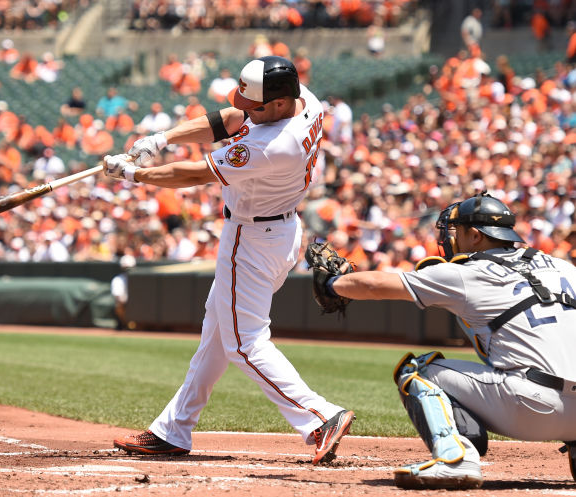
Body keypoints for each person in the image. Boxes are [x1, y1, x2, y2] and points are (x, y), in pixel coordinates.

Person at [104, 55, 355, 463]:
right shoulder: (302, 98)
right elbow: (230, 118)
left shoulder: (274, 145)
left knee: (243, 341)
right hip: (277, 230)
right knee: (218, 333)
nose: (243, 106)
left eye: (253, 104)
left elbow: (193, 175)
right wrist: (161, 139)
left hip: (252, 237)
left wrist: (135, 175)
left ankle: (320, 415)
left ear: (276, 104)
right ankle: (173, 430)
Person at [318, 193, 576, 489]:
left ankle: (455, 458)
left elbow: (375, 285)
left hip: (532, 407)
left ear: (476, 236)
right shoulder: (563, 267)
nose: (450, 238)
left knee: (417, 370)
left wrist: (331, 284)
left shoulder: (467, 273)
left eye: (456, 231)